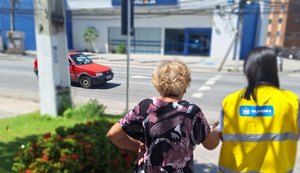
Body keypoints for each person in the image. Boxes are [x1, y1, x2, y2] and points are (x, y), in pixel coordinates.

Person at [107, 59, 220, 173]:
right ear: (186, 83)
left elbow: (113, 135)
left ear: (157, 82)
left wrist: (140, 147)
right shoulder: (192, 112)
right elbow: (211, 145)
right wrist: (217, 129)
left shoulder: (146, 106)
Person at [215, 46, 299, 173]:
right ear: (273, 70)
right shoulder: (291, 102)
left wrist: (215, 129)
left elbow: (217, 137)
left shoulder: (231, 101)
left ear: (248, 69)